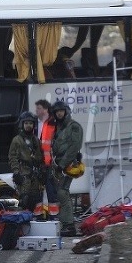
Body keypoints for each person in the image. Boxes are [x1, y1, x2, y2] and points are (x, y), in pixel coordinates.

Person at [50, 100, 83, 236]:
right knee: (61, 193)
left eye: (61, 111)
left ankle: (69, 225)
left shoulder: (74, 126)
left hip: (67, 165)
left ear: (66, 111)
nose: (59, 113)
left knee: (63, 193)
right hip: (58, 165)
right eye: (57, 111)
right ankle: (66, 224)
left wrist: (62, 165)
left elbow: (74, 147)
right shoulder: (58, 128)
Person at [8, 111, 44, 217]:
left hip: (35, 175)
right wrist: (16, 172)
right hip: (23, 174)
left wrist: (42, 170)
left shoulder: (36, 140)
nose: (29, 125)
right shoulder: (17, 140)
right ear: (22, 124)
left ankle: (33, 221)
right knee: (24, 200)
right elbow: (12, 157)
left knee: (35, 200)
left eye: (31, 123)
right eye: (26, 123)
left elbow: (40, 157)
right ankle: (23, 221)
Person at [35, 99, 59, 219]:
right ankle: (48, 216)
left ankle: (53, 217)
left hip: (50, 164)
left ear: (45, 109)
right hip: (45, 163)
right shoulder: (45, 124)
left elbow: (51, 145)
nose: (36, 111)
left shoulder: (51, 123)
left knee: (51, 192)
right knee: (45, 192)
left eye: (38, 108)